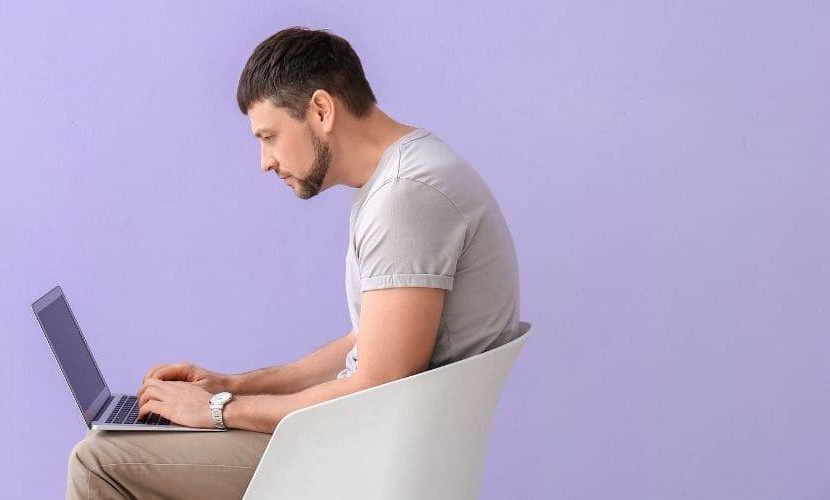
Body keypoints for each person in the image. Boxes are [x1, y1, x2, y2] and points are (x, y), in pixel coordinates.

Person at [67, 25, 520, 499]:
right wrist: (230, 385)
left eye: (269, 136)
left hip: (368, 457)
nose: (264, 161)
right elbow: (368, 345)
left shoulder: (407, 197)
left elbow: (376, 386)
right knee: (120, 445)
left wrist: (218, 409)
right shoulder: (403, 178)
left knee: (98, 461)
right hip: (367, 440)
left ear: (321, 110)